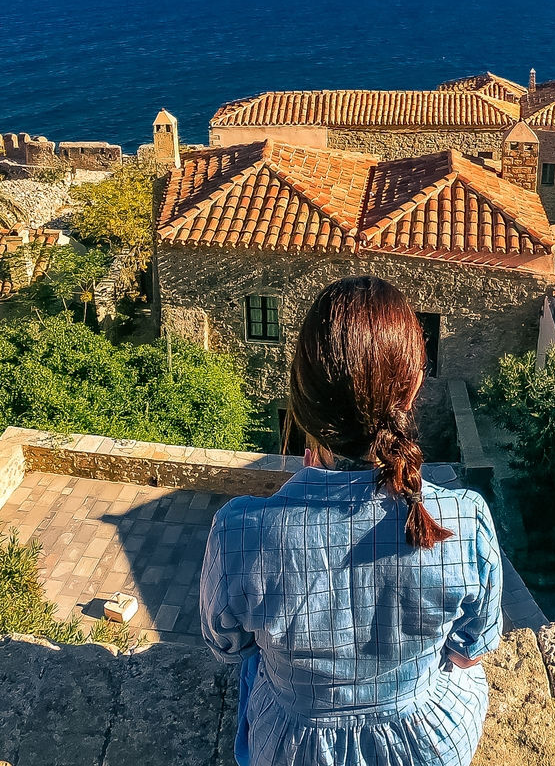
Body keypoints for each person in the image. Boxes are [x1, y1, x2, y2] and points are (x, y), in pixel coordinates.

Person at [199, 275, 504, 766]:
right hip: (427, 746)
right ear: (411, 392)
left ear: (305, 404)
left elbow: (229, 649)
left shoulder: (239, 533)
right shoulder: (463, 519)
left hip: (293, 752)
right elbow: (469, 651)